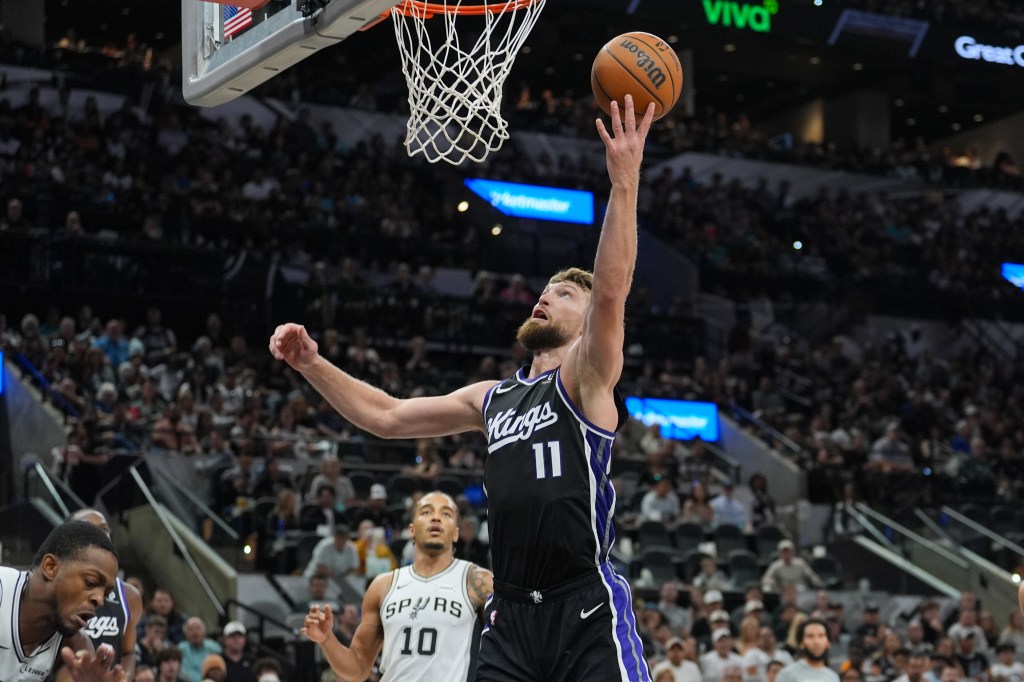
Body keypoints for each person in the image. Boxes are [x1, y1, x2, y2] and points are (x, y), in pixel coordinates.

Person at [272, 95, 656, 681]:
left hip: (584, 601)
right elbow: (388, 416)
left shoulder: (587, 377)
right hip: (512, 616)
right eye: (547, 289)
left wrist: (623, 183)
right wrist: (312, 365)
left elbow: (610, 290)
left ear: (584, 323)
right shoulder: (491, 398)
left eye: (564, 293)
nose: (547, 294)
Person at [301, 491, 493, 681]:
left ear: (456, 533)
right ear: (411, 530)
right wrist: (327, 639)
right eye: (426, 512)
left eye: (446, 514)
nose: (436, 518)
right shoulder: (383, 586)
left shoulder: (478, 582)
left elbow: (508, 651)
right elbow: (358, 669)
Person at [0, 520, 121, 682]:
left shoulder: (77, 648)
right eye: (90, 582)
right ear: (50, 567)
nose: (99, 600)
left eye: (105, 594)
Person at [57, 509, 144, 682]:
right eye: (89, 529)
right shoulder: (55, 590)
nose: (100, 535)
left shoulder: (129, 596)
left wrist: (123, 678)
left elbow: (128, 653)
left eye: (104, 529)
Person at [776, 618, 839, 682]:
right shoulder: (787, 674)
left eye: (821, 636)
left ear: (828, 642)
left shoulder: (833, 677)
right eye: (810, 636)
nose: (816, 641)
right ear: (801, 643)